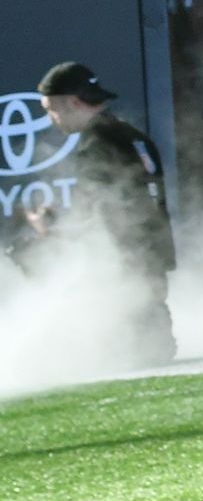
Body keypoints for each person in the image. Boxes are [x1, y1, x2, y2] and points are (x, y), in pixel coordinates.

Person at [23, 64, 178, 362]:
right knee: (156, 357)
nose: (50, 119)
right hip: (151, 260)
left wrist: (50, 230)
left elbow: (105, 218)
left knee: (130, 362)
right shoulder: (133, 137)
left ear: (73, 102)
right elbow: (141, 202)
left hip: (124, 272)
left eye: (51, 109)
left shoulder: (96, 146)